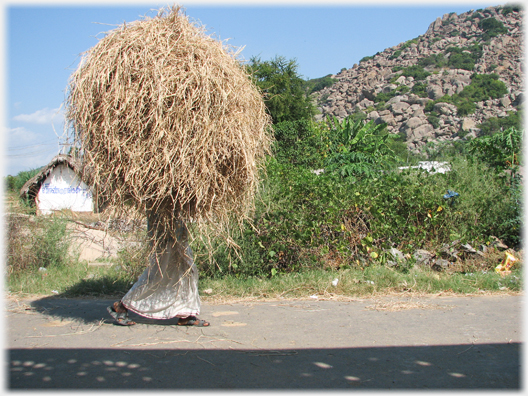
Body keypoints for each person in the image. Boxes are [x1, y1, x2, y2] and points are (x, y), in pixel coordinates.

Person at [107, 219, 210, 327]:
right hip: (164, 230)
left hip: (178, 230)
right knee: (158, 274)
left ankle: (186, 314)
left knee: (186, 271)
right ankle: (122, 306)